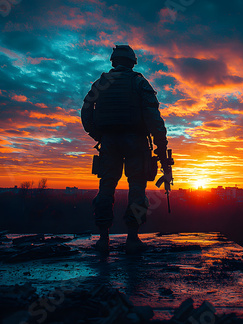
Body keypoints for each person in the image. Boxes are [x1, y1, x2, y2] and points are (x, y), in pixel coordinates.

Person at [81, 45, 168, 254]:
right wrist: (161, 148)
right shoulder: (139, 82)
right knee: (137, 189)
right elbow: (154, 119)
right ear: (132, 62)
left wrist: (99, 135)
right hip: (135, 142)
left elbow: (86, 112)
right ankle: (132, 238)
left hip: (109, 142)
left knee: (106, 187)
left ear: (113, 61)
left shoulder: (101, 83)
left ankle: (103, 239)